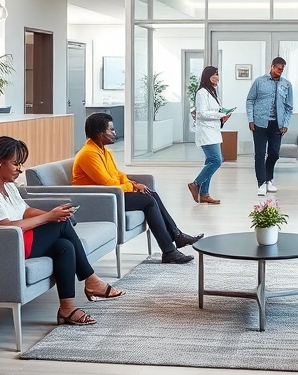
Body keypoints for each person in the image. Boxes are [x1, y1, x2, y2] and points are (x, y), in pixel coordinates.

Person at [0, 136, 123, 327]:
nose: (19, 169)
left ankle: (67, 308)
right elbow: (5, 229)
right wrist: (48, 218)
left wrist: (54, 214)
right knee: (61, 226)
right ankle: (92, 280)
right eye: (15, 164)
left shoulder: (7, 186)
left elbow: (25, 210)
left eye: (20, 164)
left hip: (16, 242)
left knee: (64, 246)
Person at [74, 113, 202, 264]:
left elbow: (118, 174)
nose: (115, 133)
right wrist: (131, 186)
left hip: (112, 195)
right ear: (99, 133)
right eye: (111, 130)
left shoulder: (104, 151)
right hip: (99, 199)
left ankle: (176, 237)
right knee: (148, 200)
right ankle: (170, 250)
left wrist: (133, 185)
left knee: (150, 194)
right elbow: (108, 184)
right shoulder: (89, 154)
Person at [245, 57, 293, 197]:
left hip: (277, 124)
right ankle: (261, 183)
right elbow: (250, 100)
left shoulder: (286, 84)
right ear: (272, 66)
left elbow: (289, 107)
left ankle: (268, 179)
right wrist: (250, 120)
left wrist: (286, 124)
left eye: (282, 69)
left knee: (274, 153)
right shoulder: (259, 82)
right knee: (260, 154)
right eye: (278, 68)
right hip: (260, 123)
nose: (280, 71)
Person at [188, 66, 229, 205]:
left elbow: (213, 111)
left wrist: (223, 115)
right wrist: (219, 115)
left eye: (218, 74)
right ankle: (195, 184)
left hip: (213, 131)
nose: (217, 77)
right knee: (216, 160)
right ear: (207, 76)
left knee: (210, 161)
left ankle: (204, 194)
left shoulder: (212, 92)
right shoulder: (201, 93)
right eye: (214, 74)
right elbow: (202, 113)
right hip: (206, 132)